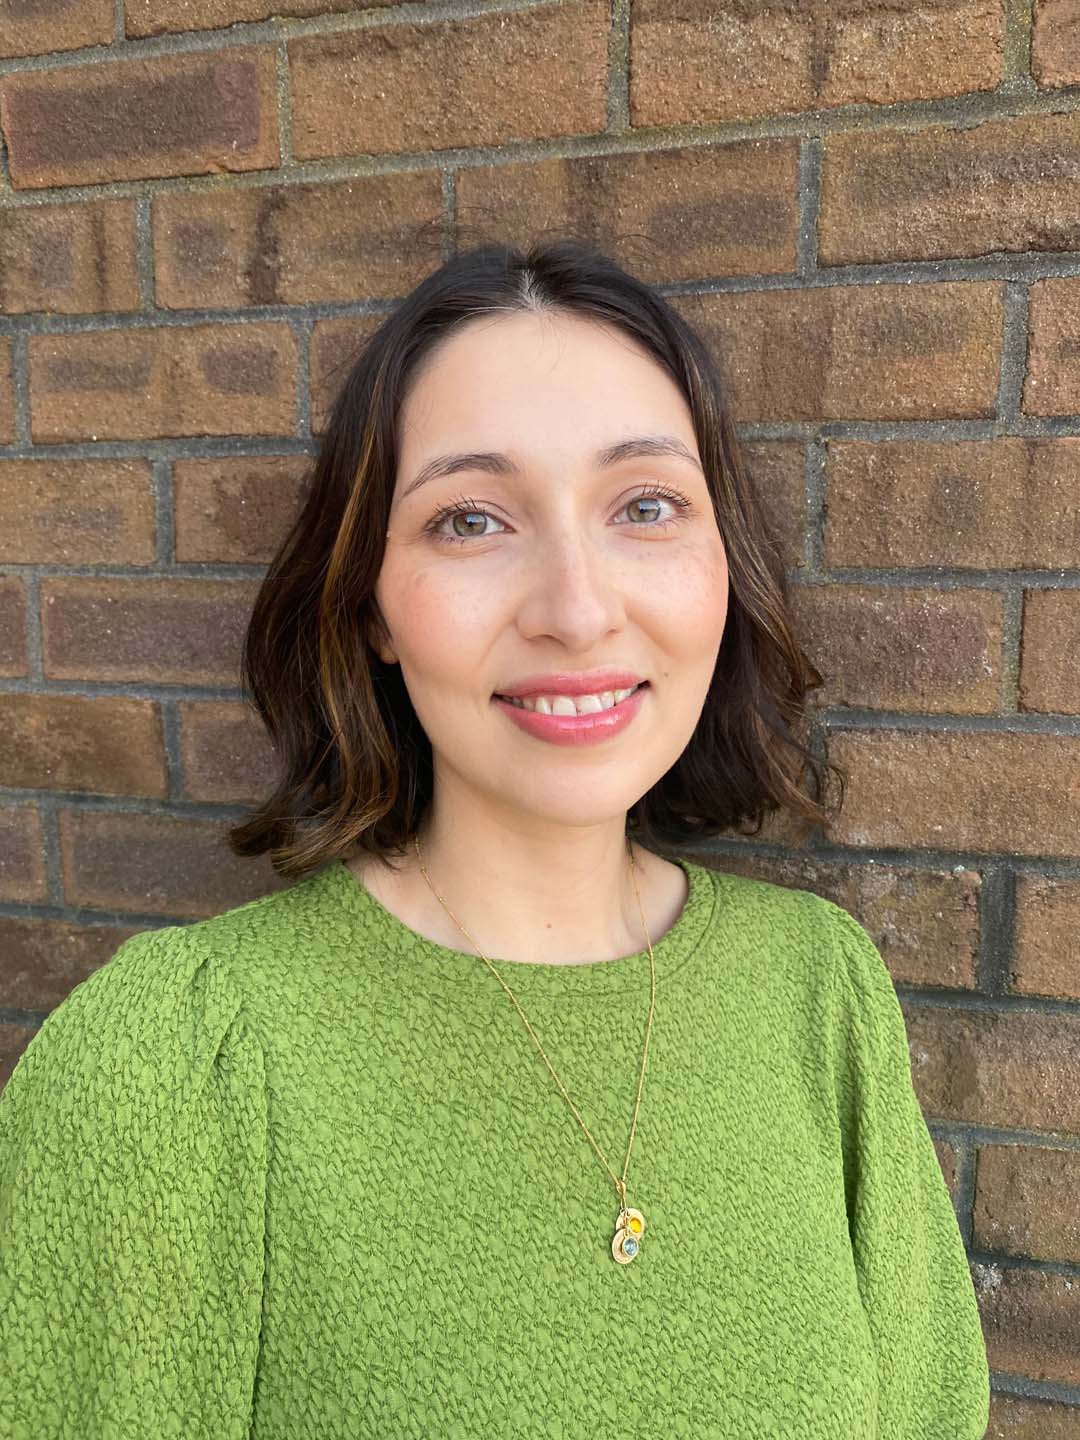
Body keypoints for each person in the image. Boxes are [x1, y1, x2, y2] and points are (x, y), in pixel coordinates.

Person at [0, 237, 990, 1438]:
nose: (576, 609)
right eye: (469, 520)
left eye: (645, 506)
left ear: (722, 562)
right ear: (367, 601)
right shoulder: (174, 1067)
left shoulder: (817, 990)